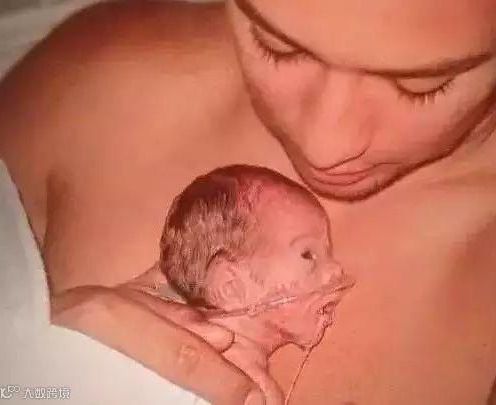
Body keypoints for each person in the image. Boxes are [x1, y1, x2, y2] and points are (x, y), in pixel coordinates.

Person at [0, 0, 496, 404]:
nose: (326, 147)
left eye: (421, 85)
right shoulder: (97, 84)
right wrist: (22, 368)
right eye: (276, 44)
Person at [130, 165, 354, 404]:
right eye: (308, 255)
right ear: (231, 287)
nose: (337, 270)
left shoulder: (157, 334)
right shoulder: (247, 385)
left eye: (328, 254)